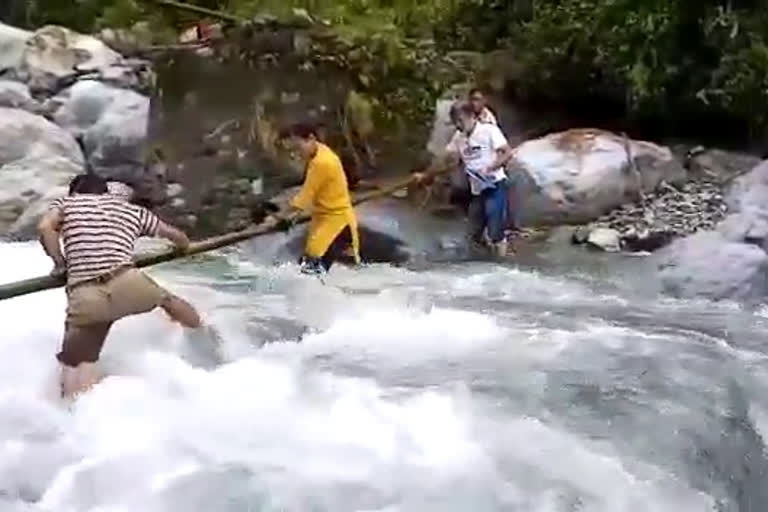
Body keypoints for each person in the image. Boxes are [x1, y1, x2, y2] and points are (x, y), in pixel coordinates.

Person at [37, 173, 202, 399]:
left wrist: (60, 264)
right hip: (128, 282)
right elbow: (177, 237)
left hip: (86, 294)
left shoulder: (68, 203)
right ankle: (203, 334)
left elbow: (46, 227)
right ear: (105, 192)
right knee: (167, 300)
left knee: (77, 361)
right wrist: (182, 248)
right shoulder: (130, 210)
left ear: (75, 193)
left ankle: (75, 413)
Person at [417, 101, 513, 257]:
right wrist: (425, 174)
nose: (458, 125)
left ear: (471, 117)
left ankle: (502, 263)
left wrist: (490, 167)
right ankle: (483, 261)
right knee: (473, 233)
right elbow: (444, 158)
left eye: (460, 120)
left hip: (495, 185)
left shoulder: (489, 131)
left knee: (495, 229)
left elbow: (507, 153)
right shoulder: (459, 137)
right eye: (455, 122)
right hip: (477, 191)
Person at [276, 122, 360, 274]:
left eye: (297, 148)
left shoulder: (323, 162)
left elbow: (304, 197)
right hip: (323, 219)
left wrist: (279, 217)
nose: (296, 154)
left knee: (311, 267)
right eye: (291, 151)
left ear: (311, 139)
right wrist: (292, 216)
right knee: (309, 266)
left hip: (337, 222)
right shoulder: (319, 153)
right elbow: (313, 193)